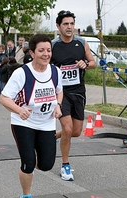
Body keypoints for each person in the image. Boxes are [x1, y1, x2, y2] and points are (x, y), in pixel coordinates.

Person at [0, 34, 63, 198]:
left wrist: (58, 105)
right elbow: (4, 98)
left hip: (46, 123)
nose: (46, 54)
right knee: (28, 163)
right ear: (32, 53)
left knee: (46, 165)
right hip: (23, 123)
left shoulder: (55, 72)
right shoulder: (22, 73)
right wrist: (19, 110)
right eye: (41, 50)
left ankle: (40, 149)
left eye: (48, 50)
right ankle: (26, 197)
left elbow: (60, 92)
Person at [51, 10, 96, 181]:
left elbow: (93, 63)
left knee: (76, 132)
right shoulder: (54, 45)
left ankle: (52, 136)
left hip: (78, 92)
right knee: (68, 129)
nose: (69, 27)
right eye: (66, 24)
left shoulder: (81, 43)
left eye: (72, 24)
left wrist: (85, 64)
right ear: (58, 26)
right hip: (61, 94)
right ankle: (65, 166)